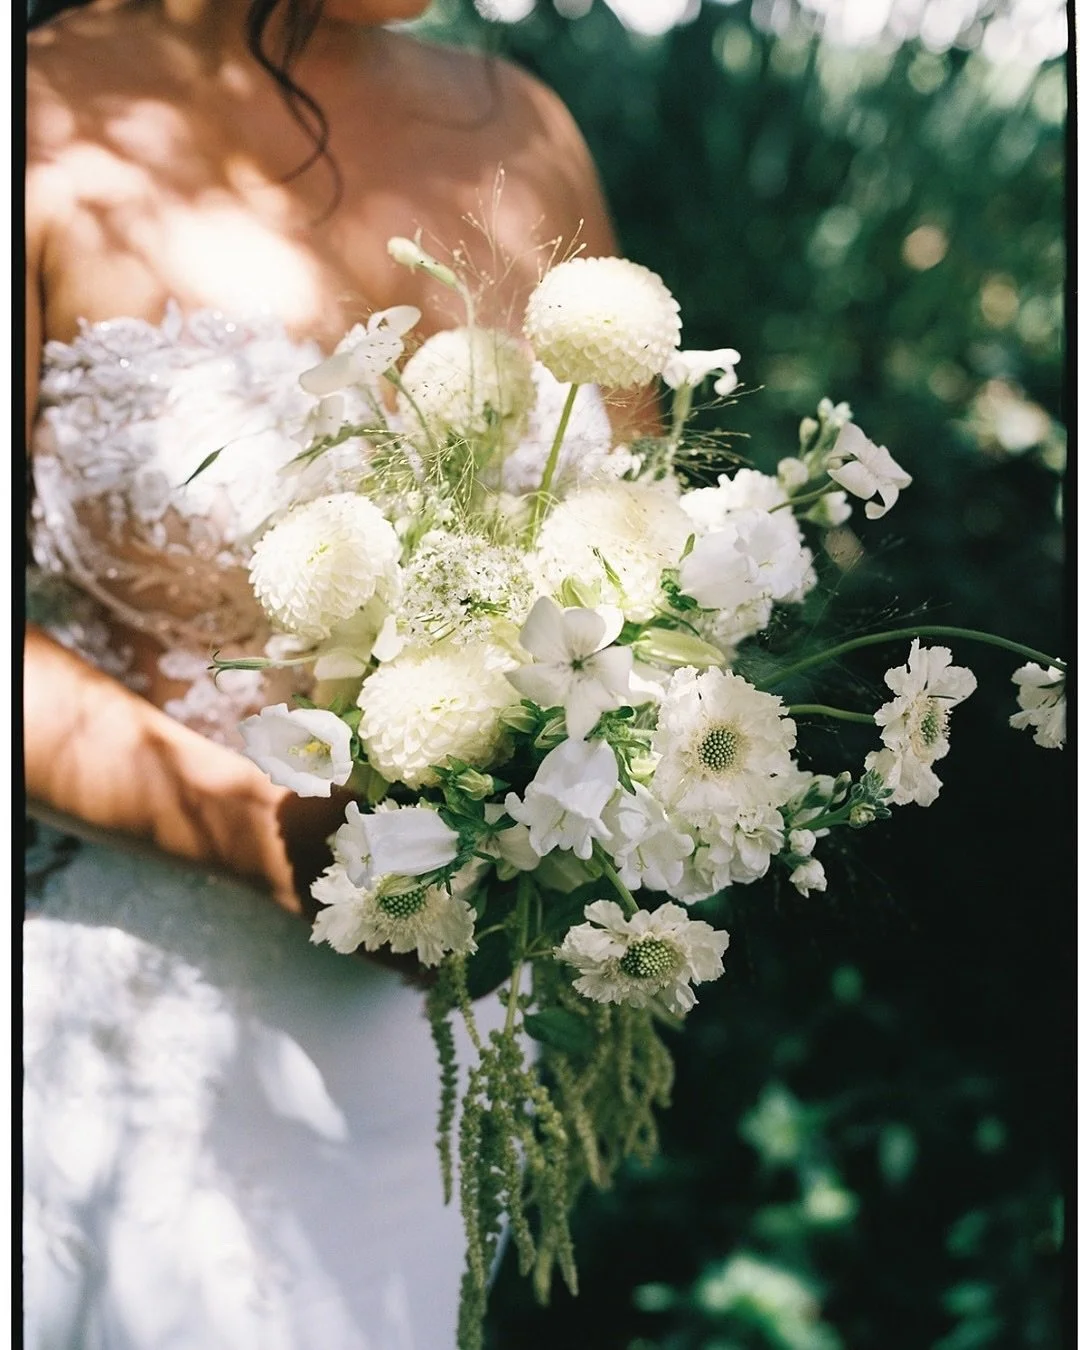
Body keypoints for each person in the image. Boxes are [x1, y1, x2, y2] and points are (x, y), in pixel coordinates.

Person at [23, 2, 620, 1345]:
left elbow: (638, 558)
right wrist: (271, 832)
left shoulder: (526, 126)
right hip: (144, 1047)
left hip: (449, 1055)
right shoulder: (38, 127)